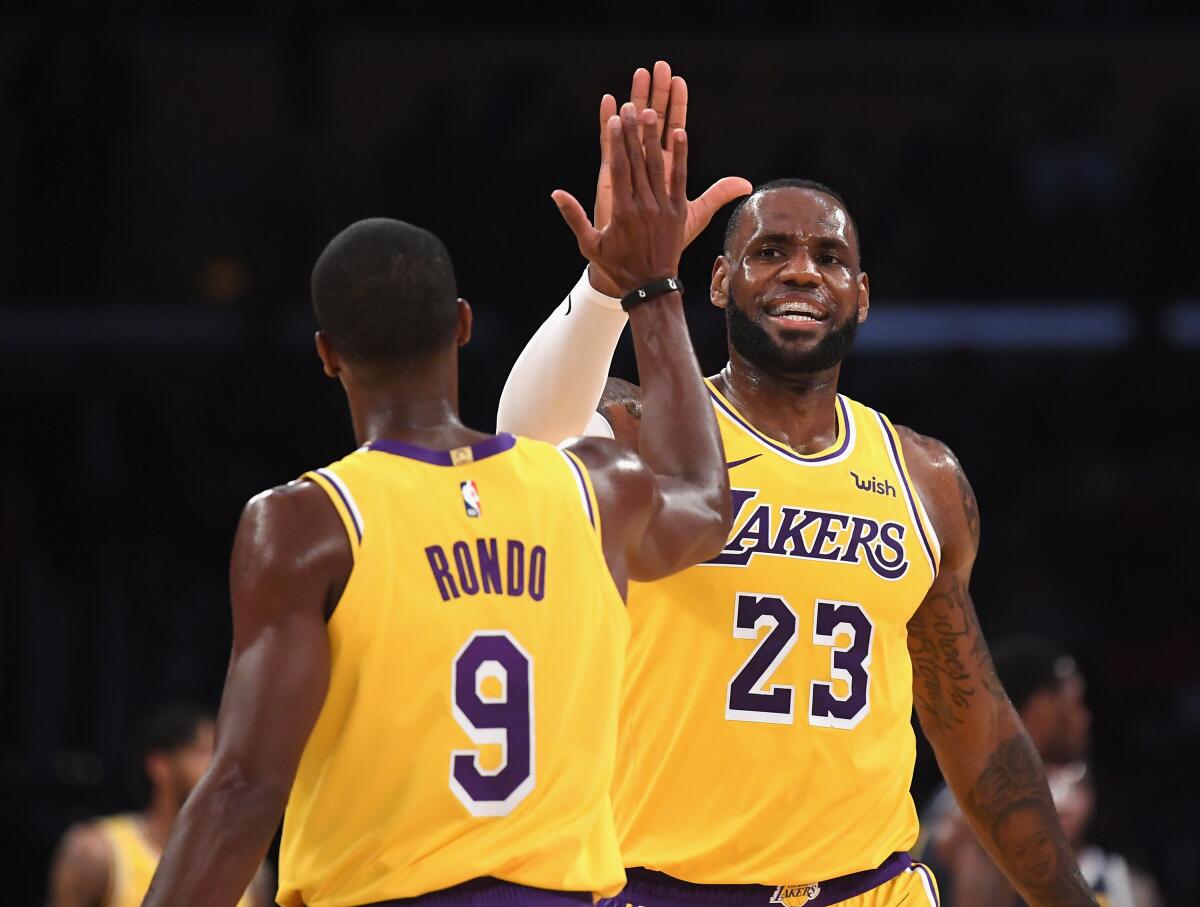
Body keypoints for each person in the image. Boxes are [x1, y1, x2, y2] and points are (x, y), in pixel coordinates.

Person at [499, 61, 1100, 907]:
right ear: (716, 282)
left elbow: (978, 731)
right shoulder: (645, 431)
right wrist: (613, 284)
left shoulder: (924, 476)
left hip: (870, 888)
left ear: (861, 297)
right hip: (666, 886)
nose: (802, 271)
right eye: (769, 251)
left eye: (829, 257)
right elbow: (525, 435)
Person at [142, 105, 732, 907]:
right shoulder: (591, 485)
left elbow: (245, 786)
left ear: (327, 354)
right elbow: (704, 500)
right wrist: (653, 286)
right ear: (461, 327)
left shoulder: (306, 523)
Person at [45, 705, 271, 907]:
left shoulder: (250, 870)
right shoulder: (96, 852)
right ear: (159, 765)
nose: (219, 767)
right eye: (205, 751)